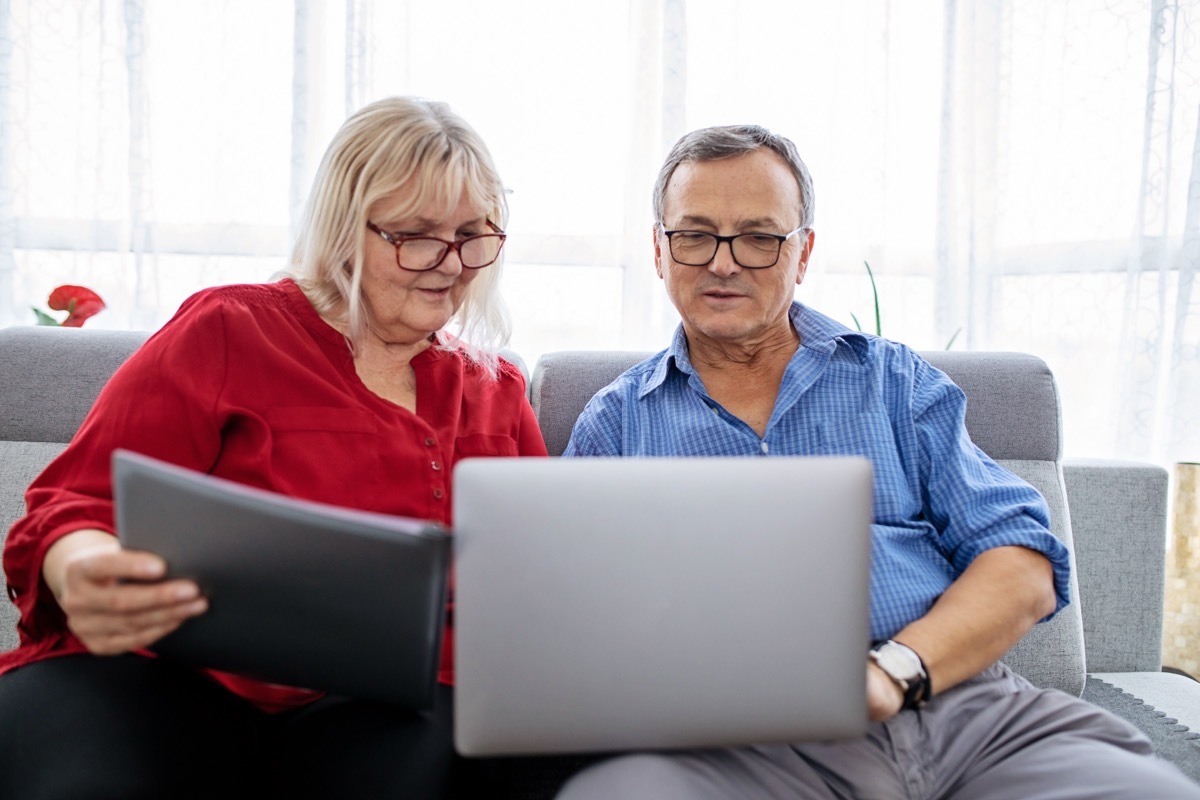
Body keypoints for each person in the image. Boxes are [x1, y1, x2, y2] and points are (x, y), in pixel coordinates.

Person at [554, 125, 1200, 799]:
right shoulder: (616, 421)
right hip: (744, 753)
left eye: (759, 236)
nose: (723, 262)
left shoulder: (892, 380)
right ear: (659, 251)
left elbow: (1024, 565)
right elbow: (571, 616)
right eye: (695, 235)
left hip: (965, 716)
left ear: (802, 253)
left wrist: (896, 670)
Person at [0, 96, 547, 799]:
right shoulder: (229, 330)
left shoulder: (496, 389)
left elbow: (537, 580)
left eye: (474, 235)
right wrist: (84, 565)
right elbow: (73, 502)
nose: (450, 263)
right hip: (163, 678)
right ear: (345, 229)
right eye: (414, 235)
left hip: (387, 713)